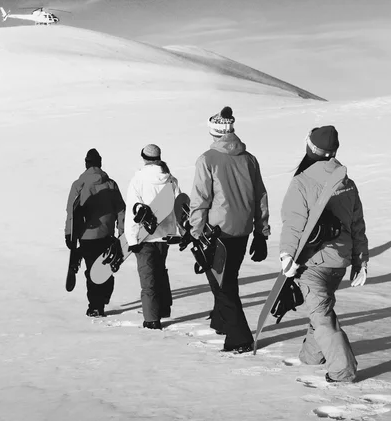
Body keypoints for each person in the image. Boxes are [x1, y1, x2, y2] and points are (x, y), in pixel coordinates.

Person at [279, 125, 369, 382]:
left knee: (322, 315)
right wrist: (360, 261)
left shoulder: (302, 181)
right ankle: (311, 356)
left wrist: (287, 254)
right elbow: (357, 226)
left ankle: (343, 371)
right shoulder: (347, 183)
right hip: (338, 263)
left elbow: (294, 222)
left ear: (310, 148)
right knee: (320, 307)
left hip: (312, 262)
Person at [189, 106, 270, 353]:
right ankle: (221, 321)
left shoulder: (207, 159)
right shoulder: (249, 159)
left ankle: (240, 338)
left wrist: (195, 231)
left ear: (214, 132)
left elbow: (200, 198)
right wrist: (261, 232)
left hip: (217, 231)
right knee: (228, 277)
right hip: (243, 230)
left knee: (222, 287)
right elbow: (260, 197)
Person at [125, 144, 180, 330]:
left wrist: (131, 239)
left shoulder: (138, 180)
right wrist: (179, 231)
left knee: (148, 278)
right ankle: (162, 309)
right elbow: (179, 207)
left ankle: (151, 319)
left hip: (145, 237)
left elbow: (134, 210)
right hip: (165, 236)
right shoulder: (170, 179)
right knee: (160, 271)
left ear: (143, 157)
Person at [65, 148, 126, 317]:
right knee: (106, 269)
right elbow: (121, 210)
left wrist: (69, 234)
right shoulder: (111, 184)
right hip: (107, 234)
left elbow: (72, 211)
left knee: (92, 271)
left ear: (86, 164)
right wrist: (122, 232)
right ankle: (102, 299)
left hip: (86, 236)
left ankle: (95, 306)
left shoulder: (78, 185)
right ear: (100, 164)